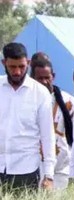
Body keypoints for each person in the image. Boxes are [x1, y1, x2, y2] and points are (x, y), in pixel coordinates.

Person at [0, 42, 55, 191]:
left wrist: (49, 175)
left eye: (22, 66)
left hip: (26, 170)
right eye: (12, 67)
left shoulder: (40, 93)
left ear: (28, 63)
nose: (17, 72)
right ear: (4, 63)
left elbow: (48, 135)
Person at [30, 58, 74, 190]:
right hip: (33, 166)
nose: (44, 82)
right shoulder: (27, 100)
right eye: (39, 78)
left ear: (53, 76)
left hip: (61, 167)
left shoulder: (68, 101)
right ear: (32, 78)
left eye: (47, 77)